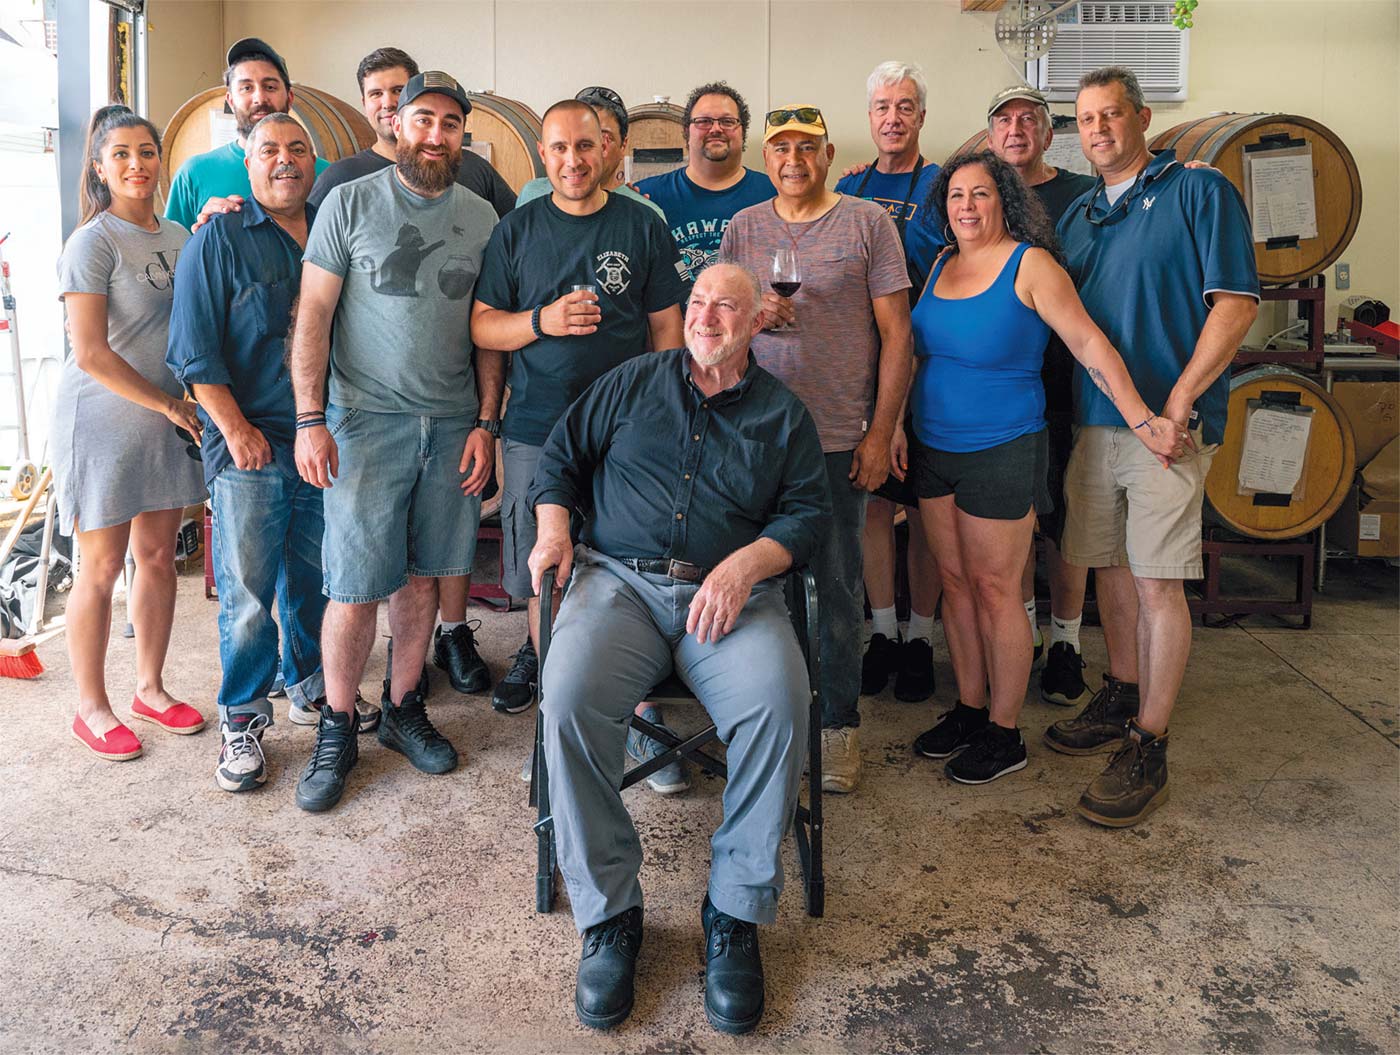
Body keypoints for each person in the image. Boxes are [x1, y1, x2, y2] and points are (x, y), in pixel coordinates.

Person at [528, 263, 830, 1035]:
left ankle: (734, 909)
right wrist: (555, 531)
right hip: (616, 584)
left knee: (777, 698)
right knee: (565, 698)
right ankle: (611, 914)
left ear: (757, 319)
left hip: (732, 595)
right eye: (697, 303)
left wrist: (745, 565)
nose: (705, 317)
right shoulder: (633, 382)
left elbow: (806, 515)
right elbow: (560, 457)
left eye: (724, 306)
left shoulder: (783, 416)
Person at [907, 150, 1183, 785]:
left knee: (999, 590)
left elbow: (1089, 344)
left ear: (1005, 199)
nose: (967, 206)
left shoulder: (1030, 265)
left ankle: (1006, 732)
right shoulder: (943, 264)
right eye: (955, 196)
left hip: (1002, 446)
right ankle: (970, 708)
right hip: (934, 445)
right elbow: (922, 355)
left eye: (980, 194)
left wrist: (1144, 419)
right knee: (954, 583)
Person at [1047, 67, 1258, 826]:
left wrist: (1180, 398)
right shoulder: (1078, 216)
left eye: (1111, 115)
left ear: (1142, 118)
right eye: (1087, 120)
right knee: (1108, 562)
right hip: (1095, 421)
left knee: (1160, 581)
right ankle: (1123, 692)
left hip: (1167, 427)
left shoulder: (1199, 191)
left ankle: (1150, 741)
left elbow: (1234, 305)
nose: (1099, 129)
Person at [289, 71, 500, 812]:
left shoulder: (482, 217)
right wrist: (309, 419)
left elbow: (489, 332)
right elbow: (313, 314)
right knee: (352, 586)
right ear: (397, 123)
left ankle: (405, 706)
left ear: (461, 135)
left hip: (449, 425)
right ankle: (340, 724)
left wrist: (487, 422)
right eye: (422, 120)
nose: (434, 134)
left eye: (449, 122)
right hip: (364, 421)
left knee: (422, 577)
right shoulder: (348, 202)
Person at [470, 99, 685, 736]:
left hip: (627, 435)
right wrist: (543, 321)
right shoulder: (517, 229)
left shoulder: (641, 226)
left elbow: (667, 330)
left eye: (586, 147)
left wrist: (663, 417)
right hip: (538, 429)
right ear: (544, 154)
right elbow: (483, 326)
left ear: (610, 150)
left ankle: (640, 709)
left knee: (627, 562)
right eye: (560, 148)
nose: (574, 160)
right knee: (544, 565)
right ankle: (554, 686)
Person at [719, 105, 913, 794]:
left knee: (833, 585)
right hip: (753, 435)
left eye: (807, 147)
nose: (793, 159)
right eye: (781, 148)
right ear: (765, 158)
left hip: (835, 436)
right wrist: (752, 320)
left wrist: (881, 430)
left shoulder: (867, 222)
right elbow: (717, 325)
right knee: (753, 582)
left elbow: (898, 338)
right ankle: (760, 715)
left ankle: (837, 726)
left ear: (829, 154)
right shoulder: (743, 227)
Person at [166, 114, 331, 792]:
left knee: (311, 574)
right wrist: (233, 429)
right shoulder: (218, 239)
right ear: (250, 162)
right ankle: (242, 715)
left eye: (297, 149)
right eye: (271, 150)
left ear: (313, 163)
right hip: (251, 440)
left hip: (319, 436)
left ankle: (307, 681)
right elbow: (193, 349)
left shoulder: (330, 229)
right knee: (246, 592)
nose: (285, 161)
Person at [52, 104, 207, 761]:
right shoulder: (94, 242)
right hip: (104, 422)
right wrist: (172, 407)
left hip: (167, 421)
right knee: (102, 566)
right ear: (99, 168)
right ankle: (91, 705)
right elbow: (89, 352)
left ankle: (151, 686)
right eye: (121, 155)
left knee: (157, 558)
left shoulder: (177, 235)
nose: (137, 165)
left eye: (146, 152)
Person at [834, 61, 944, 704]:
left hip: (928, 365)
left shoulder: (944, 185)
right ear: (870, 118)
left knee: (926, 509)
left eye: (905, 106)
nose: (893, 118)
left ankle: (921, 637)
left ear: (921, 117)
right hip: (862, 370)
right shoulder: (853, 189)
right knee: (873, 503)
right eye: (882, 107)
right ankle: (882, 631)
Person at [985, 84, 1097, 707]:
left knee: (1065, 520)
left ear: (1050, 134)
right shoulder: (985, 200)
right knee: (1017, 523)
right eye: (1004, 119)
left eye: (1029, 118)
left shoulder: (1081, 199)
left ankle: (1067, 642)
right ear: (990, 136)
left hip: (1068, 380)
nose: (1017, 128)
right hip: (1010, 385)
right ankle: (1022, 635)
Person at [308, 46, 516, 219]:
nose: (388, 103)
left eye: (398, 90)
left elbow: (518, 230)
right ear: (364, 104)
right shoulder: (341, 179)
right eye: (376, 94)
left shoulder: (473, 167)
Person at [164, 38, 328, 231]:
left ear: (290, 98)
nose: (259, 98)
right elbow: (173, 252)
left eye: (270, 87)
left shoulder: (327, 175)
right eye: (246, 88)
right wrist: (203, 236)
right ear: (231, 101)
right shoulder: (193, 173)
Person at [633, 81, 776, 286]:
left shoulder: (773, 193)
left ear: (742, 131)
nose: (716, 129)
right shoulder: (647, 196)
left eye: (727, 121)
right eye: (704, 121)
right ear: (686, 131)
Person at [515, 87, 665, 220]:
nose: (574, 160)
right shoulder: (532, 193)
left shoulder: (645, 213)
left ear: (622, 146)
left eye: (603, 137)